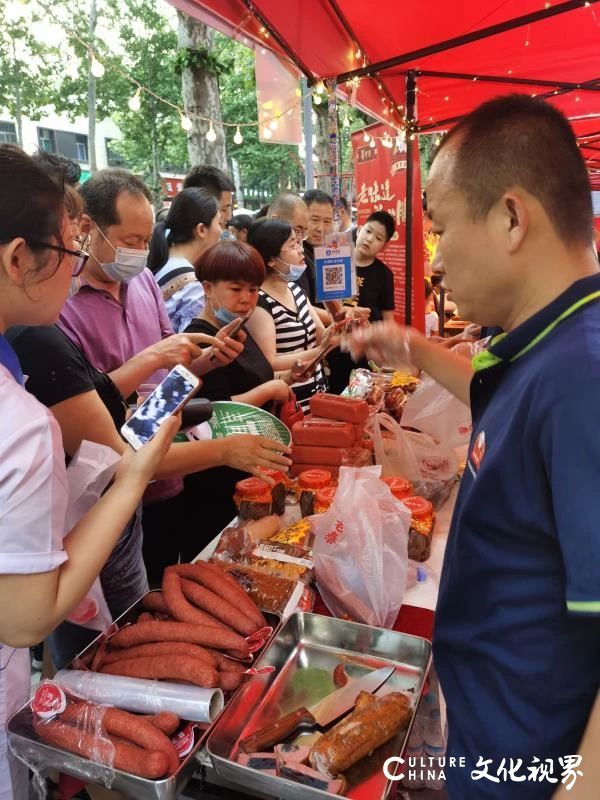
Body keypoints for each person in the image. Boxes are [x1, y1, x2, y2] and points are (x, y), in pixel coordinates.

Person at [348, 95, 600, 798]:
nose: (435, 252)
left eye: (442, 225)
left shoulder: (585, 376)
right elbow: (503, 400)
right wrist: (415, 351)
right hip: (498, 736)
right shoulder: (546, 341)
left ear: (512, 219)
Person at [0, 145, 174, 800]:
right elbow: (22, 619)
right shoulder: (19, 425)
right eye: (69, 250)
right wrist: (133, 477)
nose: (76, 270)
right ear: (20, 259)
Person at [183, 240, 303, 542]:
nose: (247, 299)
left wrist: (287, 377)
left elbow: (254, 376)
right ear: (208, 288)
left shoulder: (240, 328)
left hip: (253, 460)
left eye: (253, 290)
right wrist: (269, 389)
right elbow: (212, 409)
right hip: (217, 472)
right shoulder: (198, 340)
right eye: (236, 289)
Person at [246, 218, 336, 411]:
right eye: (293, 245)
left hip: (317, 390)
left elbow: (321, 335)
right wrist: (320, 351)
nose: (301, 250)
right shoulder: (261, 302)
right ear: (271, 259)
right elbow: (271, 363)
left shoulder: (295, 289)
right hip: (288, 400)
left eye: (299, 242)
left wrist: (339, 327)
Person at [328, 210, 395, 393]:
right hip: (335, 348)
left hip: (366, 353)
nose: (370, 239)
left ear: (384, 246)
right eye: (368, 231)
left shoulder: (384, 275)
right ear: (359, 230)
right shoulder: (336, 263)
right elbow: (326, 307)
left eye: (378, 238)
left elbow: (388, 319)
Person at [147, 188, 222, 332]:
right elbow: (191, 347)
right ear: (201, 229)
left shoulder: (163, 261)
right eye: (219, 223)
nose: (221, 231)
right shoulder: (191, 286)